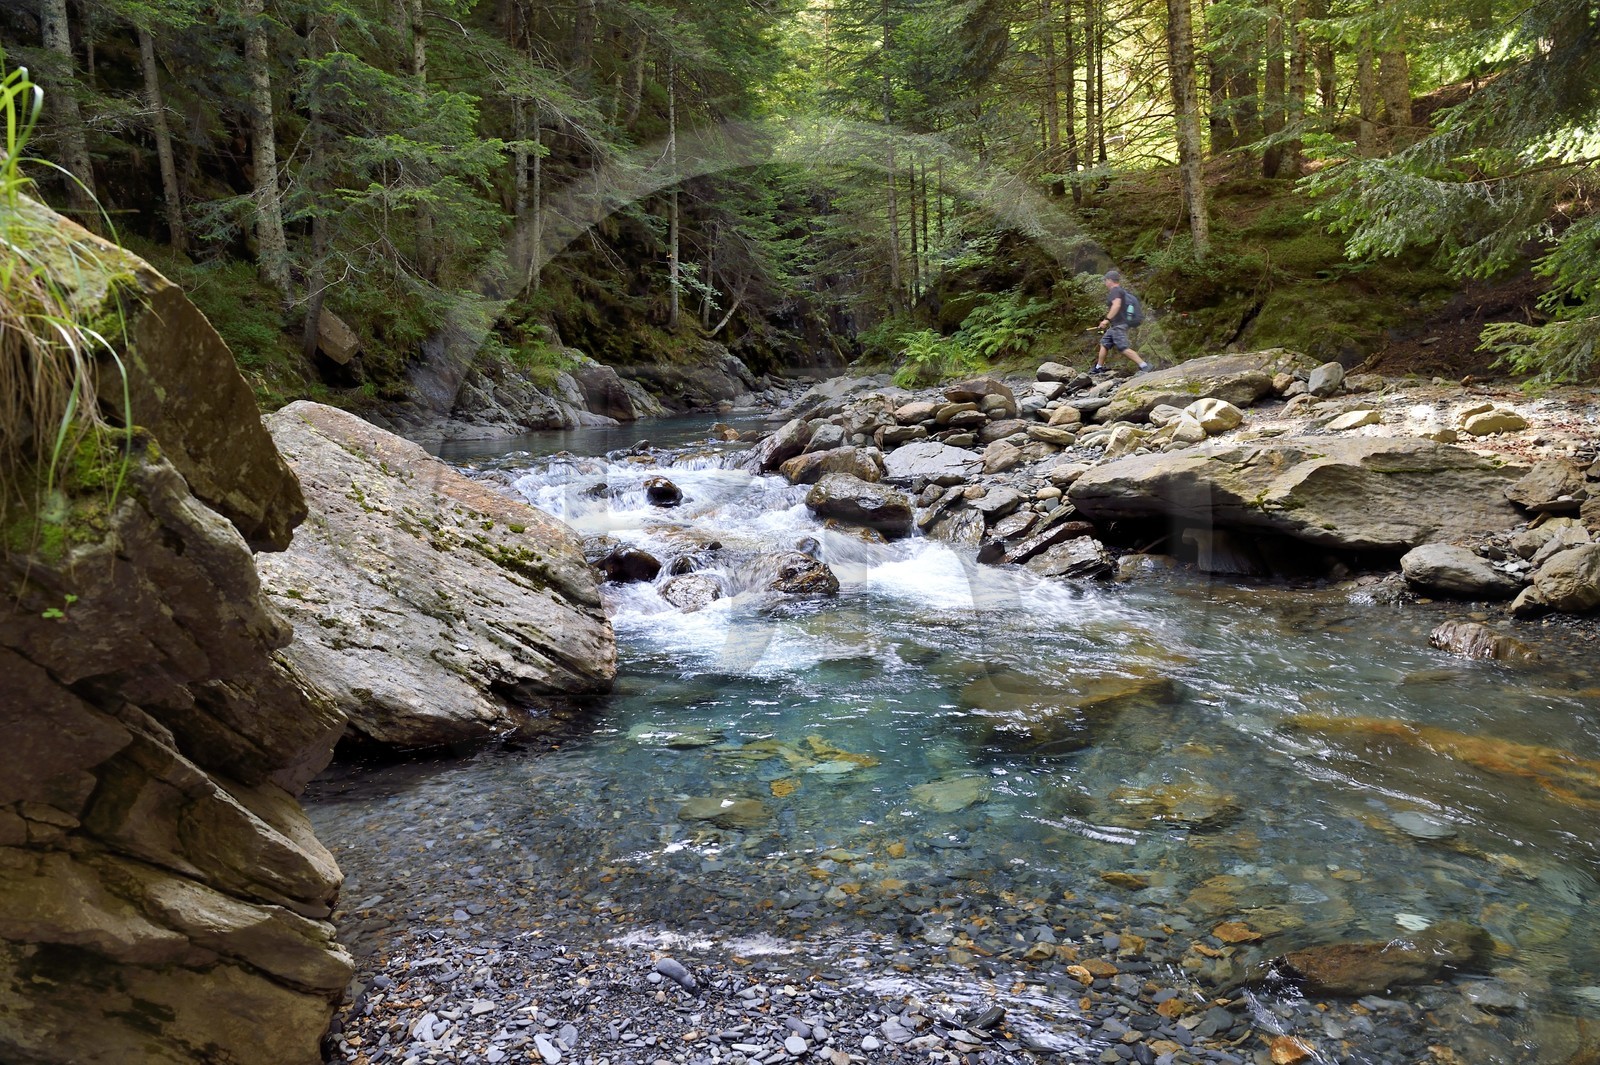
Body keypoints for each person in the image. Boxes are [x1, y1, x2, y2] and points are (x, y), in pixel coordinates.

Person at [1092, 270, 1151, 373]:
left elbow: (1116, 305)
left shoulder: (1115, 291)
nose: (1105, 283)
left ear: (1110, 280)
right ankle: (1098, 367)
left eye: (1105, 280)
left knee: (1122, 347)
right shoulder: (1120, 291)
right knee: (1104, 343)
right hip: (1115, 325)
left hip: (1119, 325)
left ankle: (1144, 365)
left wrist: (1106, 320)